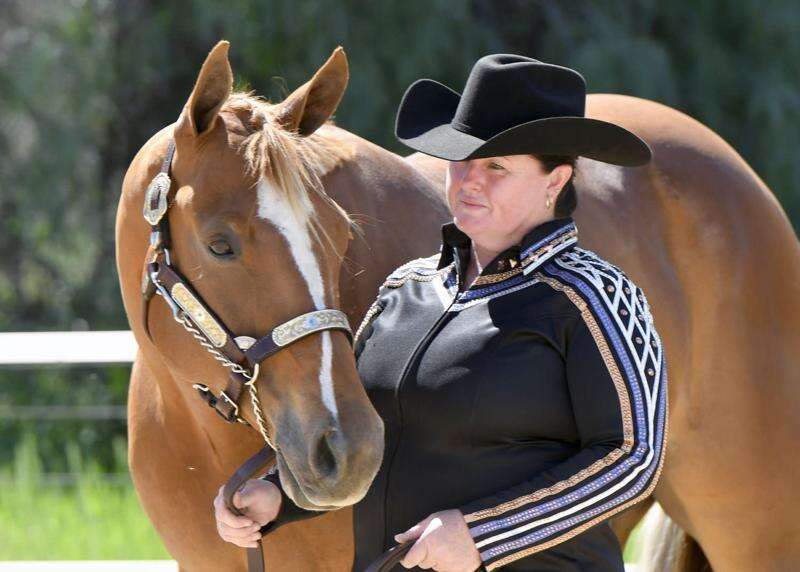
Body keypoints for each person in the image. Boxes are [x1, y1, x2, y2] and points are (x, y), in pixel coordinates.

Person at [213, 54, 669, 571]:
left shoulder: (594, 295)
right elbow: (379, 437)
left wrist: (481, 533)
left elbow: (632, 458)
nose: (469, 181)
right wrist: (280, 496)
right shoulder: (405, 289)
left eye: (496, 166)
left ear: (555, 180)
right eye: (462, 160)